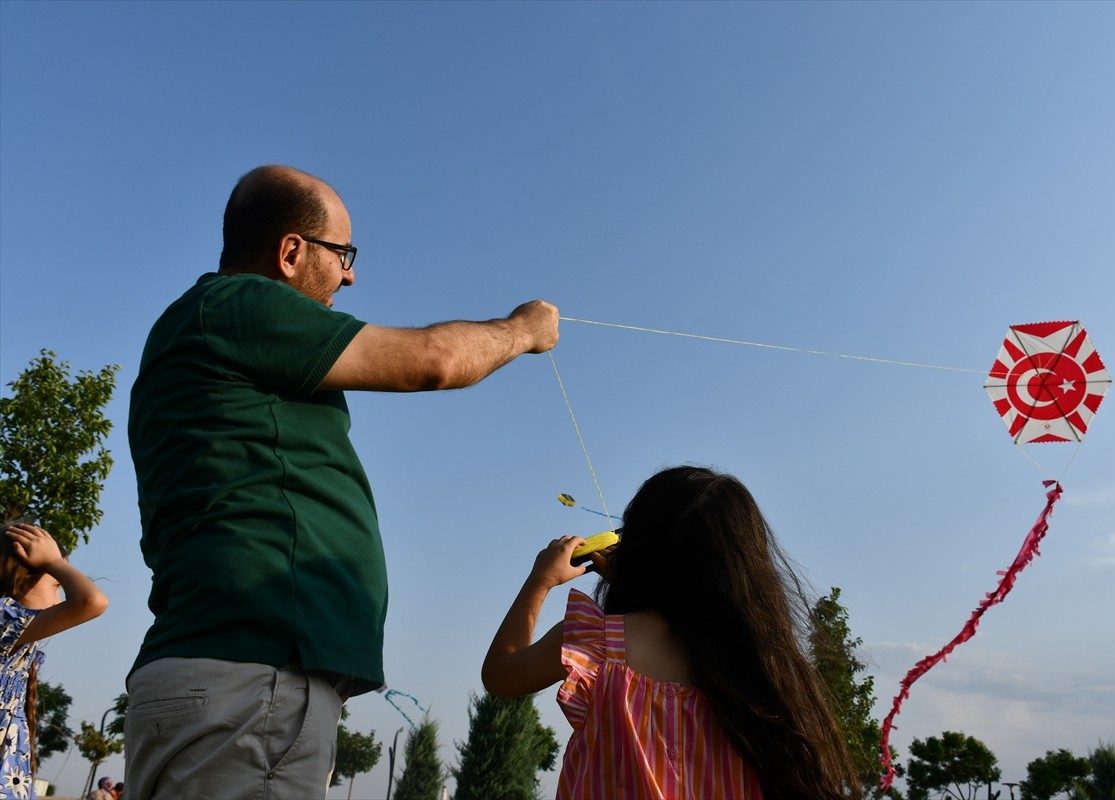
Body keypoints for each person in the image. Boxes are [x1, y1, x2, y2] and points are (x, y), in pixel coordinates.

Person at [124, 164, 560, 799]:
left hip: (224, 677)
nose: (350, 275)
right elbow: (434, 362)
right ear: (292, 251)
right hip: (254, 679)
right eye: (342, 254)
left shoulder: (200, 327)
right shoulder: (238, 304)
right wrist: (524, 330)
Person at [482, 466, 862, 800]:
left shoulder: (594, 642)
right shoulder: (758, 669)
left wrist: (541, 580)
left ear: (637, 547)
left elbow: (501, 673)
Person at [1, 522, 109, 799]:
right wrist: (53, 561)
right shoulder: (4, 619)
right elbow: (92, 601)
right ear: (21, 580)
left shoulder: (17, 642)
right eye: (56, 584)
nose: (60, 597)